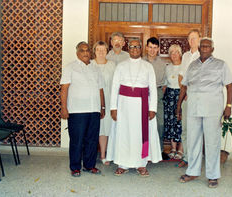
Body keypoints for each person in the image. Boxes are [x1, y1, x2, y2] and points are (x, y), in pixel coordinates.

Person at [176, 37, 232, 188]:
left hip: (212, 109)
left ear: (212, 49)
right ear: (200, 48)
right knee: (193, 140)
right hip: (193, 108)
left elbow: (229, 86)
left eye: (208, 46)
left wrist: (228, 106)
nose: (205, 49)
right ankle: (193, 171)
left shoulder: (221, 65)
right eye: (203, 46)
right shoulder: (192, 66)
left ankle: (213, 175)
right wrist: (178, 107)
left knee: (212, 142)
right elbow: (184, 87)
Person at [106, 38, 162, 177]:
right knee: (123, 134)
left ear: (141, 48)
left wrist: (152, 109)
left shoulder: (147, 66)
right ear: (128, 49)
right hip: (123, 105)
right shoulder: (121, 66)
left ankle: (141, 164)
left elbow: (153, 89)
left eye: (137, 46)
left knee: (140, 134)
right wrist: (113, 107)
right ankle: (122, 164)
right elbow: (115, 87)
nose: (135, 49)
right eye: (132, 47)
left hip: (142, 106)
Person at [60, 41, 105, 177]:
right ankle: (75, 167)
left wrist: (102, 106)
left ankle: (89, 166)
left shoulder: (95, 68)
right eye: (82, 50)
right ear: (77, 52)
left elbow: (100, 89)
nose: (85, 53)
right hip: (77, 111)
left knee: (92, 139)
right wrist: (64, 108)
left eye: (87, 50)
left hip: (94, 109)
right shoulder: (70, 68)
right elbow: (64, 88)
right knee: (77, 140)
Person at [177, 29, 201, 168]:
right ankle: (186, 157)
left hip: (197, 99)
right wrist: (184, 92)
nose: (192, 41)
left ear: (199, 39)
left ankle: (195, 159)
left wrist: (189, 91)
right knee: (185, 129)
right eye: (190, 38)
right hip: (185, 98)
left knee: (196, 130)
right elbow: (181, 76)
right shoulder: (185, 56)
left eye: (194, 38)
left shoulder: (203, 56)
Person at [91, 41, 116, 166]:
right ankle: (90, 155)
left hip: (109, 99)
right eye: (98, 50)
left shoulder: (112, 65)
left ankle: (104, 155)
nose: (101, 52)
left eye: (103, 50)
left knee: (107, 128)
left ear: (107, 51)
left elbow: (116, 84)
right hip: (93, 101)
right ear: (94, 51)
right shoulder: (90, 64)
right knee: (94, 128)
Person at [143, 37, 167, 158]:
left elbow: (164, 84)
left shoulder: (162, 64)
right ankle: (144, 150)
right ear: (146, 47)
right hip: (142, 94)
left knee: (159, 123)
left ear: (158, 49)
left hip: (157, 94)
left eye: (155, 48)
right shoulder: (141, 62)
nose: (152, 50)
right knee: (142, 124)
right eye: (150, 47)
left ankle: (159, 150)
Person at [163, 44, 184, 160]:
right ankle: (173, 148)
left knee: (180, 122)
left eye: (176, 52)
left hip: (181, 95)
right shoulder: (168, 67)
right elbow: (165, 83)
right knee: (171, 122)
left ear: (180, 53)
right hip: (170, 96)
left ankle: (180, 149)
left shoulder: (184, 66)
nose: (174, 54)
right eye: (172, 52)